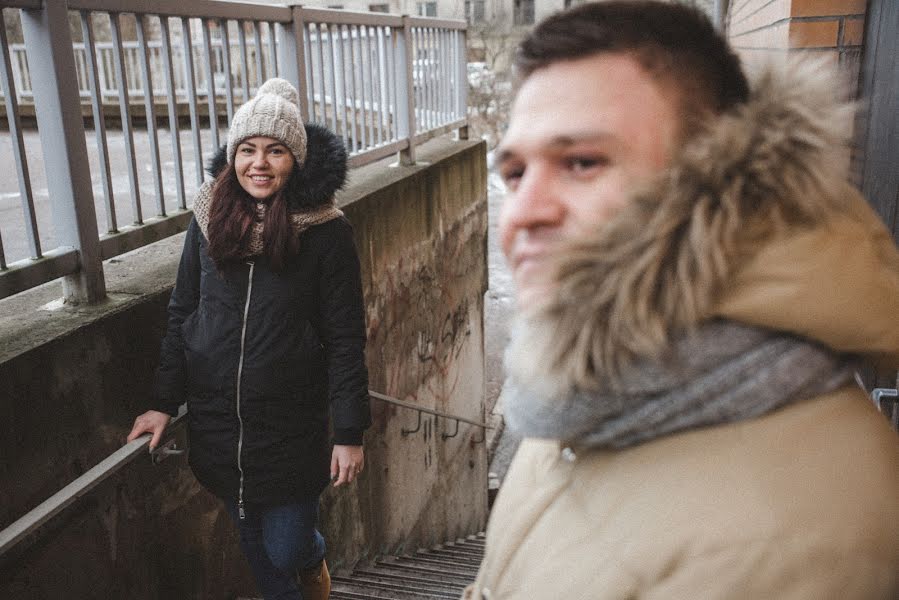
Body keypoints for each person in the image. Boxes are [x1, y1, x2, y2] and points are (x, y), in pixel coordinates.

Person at [467, 2, 899, 598]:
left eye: (582, 162)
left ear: (718, 179)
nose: (520, 214)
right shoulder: (591, 377)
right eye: (515, 173)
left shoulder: (798, 543)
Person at [128, 78, 371, 600]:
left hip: (291, 427)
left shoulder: (327, 232)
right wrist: (162, 402)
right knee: (255, 548)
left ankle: (312, 554)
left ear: (296, 160)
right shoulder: (207, 218)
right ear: (233, 155)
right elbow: (183, 310)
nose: (259, 163)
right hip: (219, 425)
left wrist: (348, 431)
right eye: (247, 149)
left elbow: (346, 337)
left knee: (285, 548)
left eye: (275, 150)